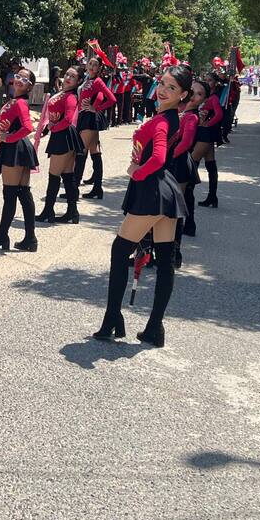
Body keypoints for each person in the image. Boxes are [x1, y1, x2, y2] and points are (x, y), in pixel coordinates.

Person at [92, 65, 192, 348]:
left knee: (120, 250)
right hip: (166, 191)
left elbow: (158, 158)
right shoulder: (169, 117)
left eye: (172, 88)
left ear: (183, 94)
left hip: (152, 190)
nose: (163, 90)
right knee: (165, 261)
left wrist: (137, 171)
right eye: (162, 83)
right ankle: (153, 328)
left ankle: (112, 319)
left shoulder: (162, 121)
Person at [0, 67, 39, 253]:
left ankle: (2, 236)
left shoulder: (20, 103)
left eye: (25, 78)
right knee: (23, 193)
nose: (19, 79)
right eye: (18, 76)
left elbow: (28, 127)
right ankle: (29, 238)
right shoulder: (12, 100)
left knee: (11, 195)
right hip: (16, 148)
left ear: (30, 86)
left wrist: (9, 138)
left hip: (15, 149)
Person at [36, 66, 85, 224]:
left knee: (54, 176)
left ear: (78, 81)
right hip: (63, 135)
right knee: (68, 175)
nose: (68, 77)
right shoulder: (63, 93)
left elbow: (68, 119)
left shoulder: (70, 96)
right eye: (67, 74)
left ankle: (48, 211)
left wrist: (53, 127)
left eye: (73, 76)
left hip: (63, 136)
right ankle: (72, 212)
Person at [76, 56, 118, 200]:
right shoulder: (87, 79)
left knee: (81, 151)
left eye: (95, 65)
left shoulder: (98, 81)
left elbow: (112, 99)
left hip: (89, 118)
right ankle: (97, 188)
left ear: (99, 68)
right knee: (95, 152)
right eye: (90, 63)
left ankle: (74, 189)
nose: (92, 66)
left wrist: (96, 108)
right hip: (84, 116)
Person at [169, 80, 199, 265]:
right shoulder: (177, 110)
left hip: (178, 163)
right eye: (191, 91)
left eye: (199, 94)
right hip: (167, 159)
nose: (193, 96)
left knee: (174, 209)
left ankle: (174, 253)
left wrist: (167, 155)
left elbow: (186, 143)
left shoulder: (191, 117)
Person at [195, 77, 224, 208]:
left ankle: (186, 192)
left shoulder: (213, 98)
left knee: (192, 162)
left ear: (215, 83)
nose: (207, 82)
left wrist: (208, 124)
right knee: (210, 164)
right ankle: (212, 196)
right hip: (202, 132)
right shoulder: (203, 96)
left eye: (210, 80)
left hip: (205, 133)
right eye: (206, 80)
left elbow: (219, 114)